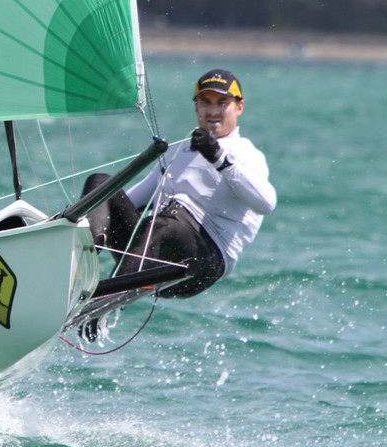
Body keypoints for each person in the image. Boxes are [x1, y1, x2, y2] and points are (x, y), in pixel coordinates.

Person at [82, 69, 276, 332]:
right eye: (205, 102)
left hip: (202, 264)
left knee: (160, 225)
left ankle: (101, 306)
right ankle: (78, 268)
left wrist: (219, 159)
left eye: (222, 103)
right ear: (196, 106)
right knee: (102, 184)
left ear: (239, 107)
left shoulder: (246, 154)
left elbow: (266, 203)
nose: (213, 110)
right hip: (151, 250)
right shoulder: (178, 151)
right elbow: (130, 200)